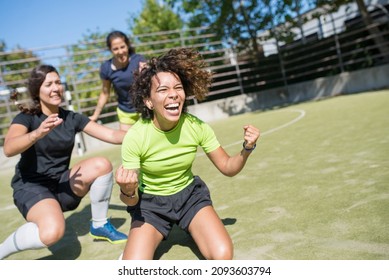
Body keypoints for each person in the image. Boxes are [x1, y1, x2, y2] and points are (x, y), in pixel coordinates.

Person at [115, 48, 260, 260]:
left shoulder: (196, 126)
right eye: (163, 89)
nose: (173, 94)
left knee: (223, 255)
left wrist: (247, 149)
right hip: (150, 205)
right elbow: (130, 200)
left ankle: (193, 226)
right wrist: (127, 190)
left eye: (178, 88)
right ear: (148, 101)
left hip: (190, 198)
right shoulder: (136, 136)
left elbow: (228, 167)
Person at [0, 65, 128, 260]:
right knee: (52, 233)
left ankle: (100, 225)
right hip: (31, 187)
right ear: (37, 91)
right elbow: (9, 149)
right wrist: (37, 133)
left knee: (102, 164)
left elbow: (112, 134)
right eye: (49, 84)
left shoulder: (71, 117)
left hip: (61, 185)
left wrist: (149, 131)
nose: (56, 88)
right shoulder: (26, 118)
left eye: (58, 82)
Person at [89, 30, 147, 131]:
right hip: (125, 112)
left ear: (127, 45)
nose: (120, 52)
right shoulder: (106, 68)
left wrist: (147, 72)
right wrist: (95, 115)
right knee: (127, 143)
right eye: (115, 49)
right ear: (110, 50)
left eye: (122, 47)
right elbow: (105, 93)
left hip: (145, 108)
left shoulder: (139, 60)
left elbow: (150, 83)